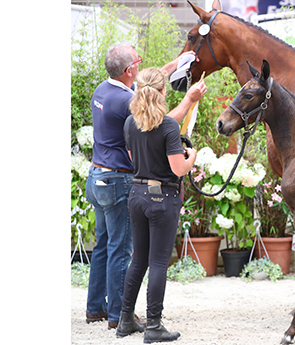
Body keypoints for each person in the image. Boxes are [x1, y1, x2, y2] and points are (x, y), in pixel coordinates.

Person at [85, 42, 201, 330]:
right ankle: (118, 315)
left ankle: (96, 308)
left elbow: (148, 85)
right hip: (118, 179)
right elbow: (162, 123)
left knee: (103, 246)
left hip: (97, 175)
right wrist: (188, 100)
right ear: (128, 71)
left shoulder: (103, 90)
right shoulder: (129, 105)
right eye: (137, 60)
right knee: (122, 250)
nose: (139, 63)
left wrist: (176, 63)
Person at [117, 67, 205, 343]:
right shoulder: (168, 126)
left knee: (139, 260)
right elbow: (179, 169)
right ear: (163, 92)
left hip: (138, 194)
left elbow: (133, 158)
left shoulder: (131, 122)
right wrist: (192, 155)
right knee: (157, 263)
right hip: (162, 199)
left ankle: (125, 320)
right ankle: (153, 325)